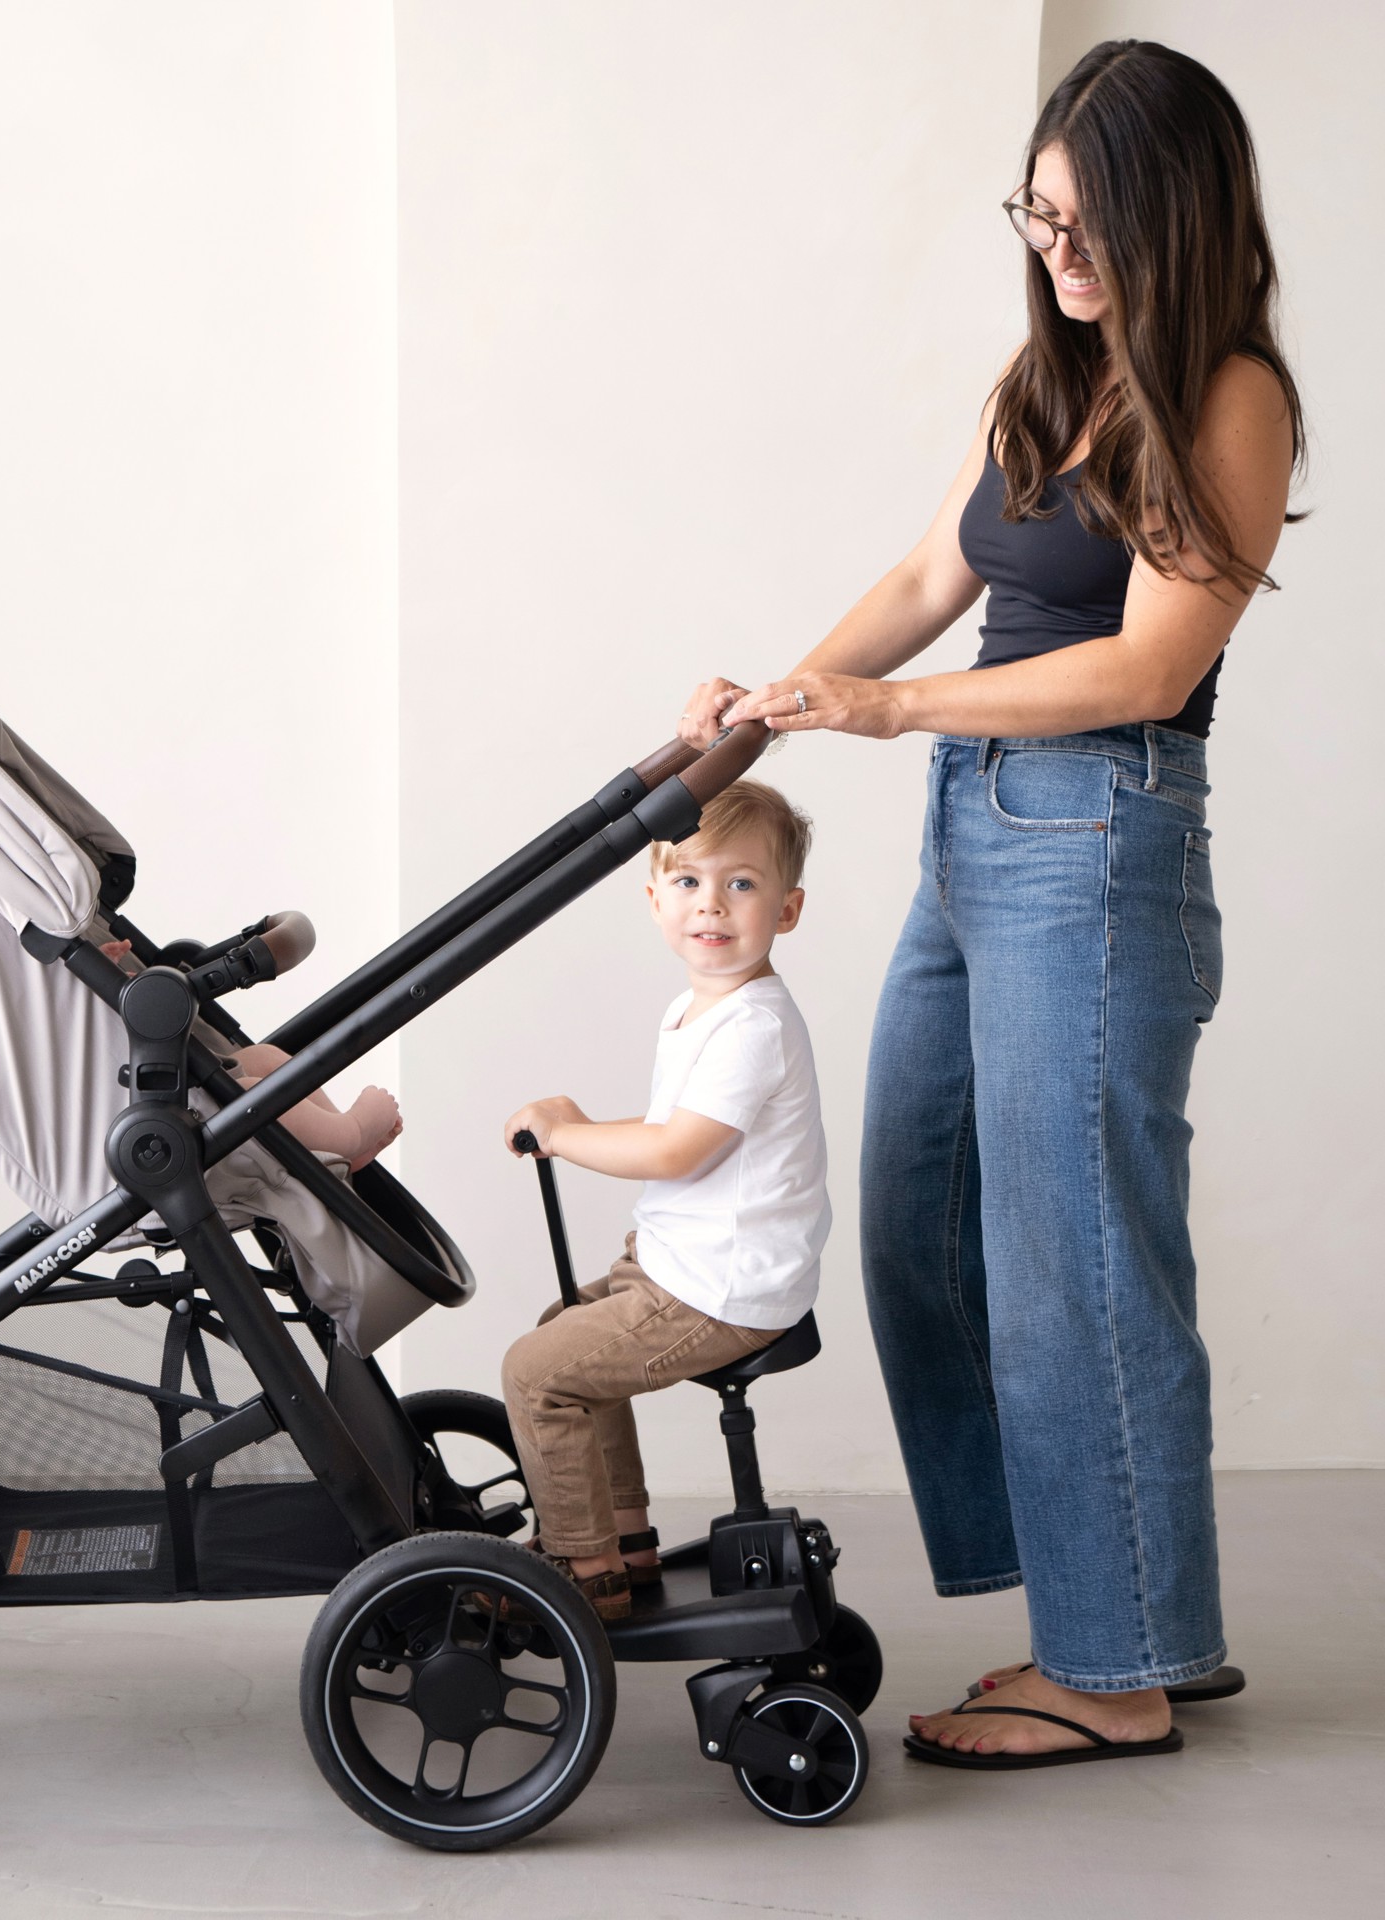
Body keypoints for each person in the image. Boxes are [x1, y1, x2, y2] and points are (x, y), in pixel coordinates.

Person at [678, 39, 1300, 1767]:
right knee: (918, 1216)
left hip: (1098, 834)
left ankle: (1112, 1673)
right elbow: (927, 572)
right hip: (983, 830)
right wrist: (771, 707)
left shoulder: (1231, 395)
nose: (1060, 251)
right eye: (1036, 216)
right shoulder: (1044, 378)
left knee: (1070, 1262)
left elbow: (1152, 663)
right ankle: (1124, 1603)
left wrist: (894, 711)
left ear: (1179, 214)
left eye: (1091, 222)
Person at [497, 780, 830, 1621]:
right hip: (688, 1266)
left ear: (787, 910)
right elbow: (675, 1132)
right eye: (688, 881)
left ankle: (584, 1573)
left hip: (718, 1289)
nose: (711, 903)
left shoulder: (752, 1026)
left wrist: (567, 1133)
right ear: (655, 901)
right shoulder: (699, 1009)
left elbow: (677, 1149)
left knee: (536, 1375)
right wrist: (575, 1125)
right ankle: (625, 1537)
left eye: (741, 883)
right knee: (562, 1329)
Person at [98, 938, 402, 1169]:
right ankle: (351, 1133)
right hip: (148, 1125)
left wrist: (101, 975)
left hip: (165, 1086)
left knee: (263, 1058)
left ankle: (335, 1147)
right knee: (245, 1097)